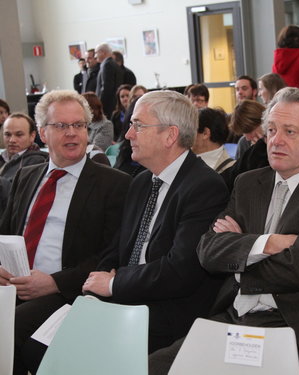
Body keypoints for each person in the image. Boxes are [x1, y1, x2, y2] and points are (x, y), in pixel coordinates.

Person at [148, 87, 299, 375]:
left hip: (297, 324)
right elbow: (207, 250)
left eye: (290, 131)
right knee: (151, 367)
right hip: (236, 317)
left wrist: (239, 254)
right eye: (272, 130)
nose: (276, 140)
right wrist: (268, 243)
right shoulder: (249, 183)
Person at [82, 90, 229, 355]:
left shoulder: (204, 187)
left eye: (138, 125)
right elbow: (117, 248)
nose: (128, 135)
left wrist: (114, 284)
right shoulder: (141, 181)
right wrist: (97, 285)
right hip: (126, 299)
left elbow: (180, 271)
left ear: (170, 135)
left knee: (82, 352)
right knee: (43, 344)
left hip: (167, 311)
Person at [0, 90, 131, 375]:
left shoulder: (114, 184)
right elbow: (5, 232)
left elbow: (112, 255)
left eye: (79, 125)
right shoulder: (26, 176)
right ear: (42, 134)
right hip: (12, 286)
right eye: (61, 126)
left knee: (8, 329)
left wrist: (54, 283)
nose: (72, 133)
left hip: (68, 292)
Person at [192, 107, 235, 173]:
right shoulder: (183, 160)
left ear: (205, 133)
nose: (185, 135)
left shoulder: (231, 170)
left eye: (190, 130)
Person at [95, 43, 122, 118]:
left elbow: (106, 87)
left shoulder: (107, 65)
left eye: (96, 53)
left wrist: (99, 105)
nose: (95, 56)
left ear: (102, 52)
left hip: (107, 106)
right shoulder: (113, 63)